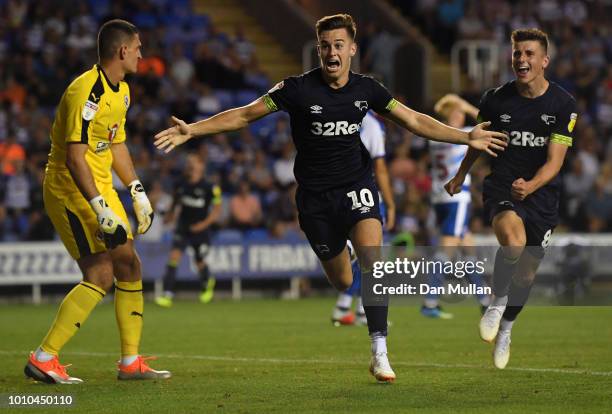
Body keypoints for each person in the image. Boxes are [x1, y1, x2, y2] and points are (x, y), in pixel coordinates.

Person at [154, 14, 507, 383]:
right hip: (315, 201)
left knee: (374, 264)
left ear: (352, 49)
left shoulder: (367, 90)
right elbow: (244, 115)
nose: (331, 52)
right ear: (318, 49)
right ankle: (347, 262)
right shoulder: (296, 89)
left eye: (339, 45)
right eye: (325, 46)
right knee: (341, 280)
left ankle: (380, 351)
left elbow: (415, 120)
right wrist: (192, 130)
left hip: (357, 187)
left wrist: (464, 137)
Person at [24, 19, 170, 384]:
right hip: (70, 189)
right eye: (138, 47)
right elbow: (75, 158)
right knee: (100, 273)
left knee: (129, 265)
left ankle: (130, 362)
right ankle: (44, 358)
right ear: (123, 51)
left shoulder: (121, 91)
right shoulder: (84, 92)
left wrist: (136, 190)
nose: (141, 54)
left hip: (102, 188)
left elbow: (115, 143)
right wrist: (100, 207)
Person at [446, 29, 577, 369]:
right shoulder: (495, 99)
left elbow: (555, 162)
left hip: (541, 195)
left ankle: (506, 328)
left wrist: (531, 186)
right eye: (518, 53)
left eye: (529, 54)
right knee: (513, 243)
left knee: (527, 275)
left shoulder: (563, 105)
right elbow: (478, 142)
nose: (521, 59)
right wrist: (461, 175)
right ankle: (496, 301)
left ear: (544, 61)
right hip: (503, 186)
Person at [420, 94, 491, 319]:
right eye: (456, 113)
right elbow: (487, 121)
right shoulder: (462, 135)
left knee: (467, 248)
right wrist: (466, 106)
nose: (460, 116)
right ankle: (430, 302)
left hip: (439, 198)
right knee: (447, 249)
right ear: (448, 117)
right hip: (456, 198)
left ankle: (485, 301)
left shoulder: (434, 137)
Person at [331, 111, 395, 326]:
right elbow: (380, 167)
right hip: (365, 193)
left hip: (336, 191)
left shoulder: (340, 114)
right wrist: (390, 202)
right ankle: (361, 309)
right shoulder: (373, 126)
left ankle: (346, 306)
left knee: (363, 254)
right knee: (370, 254)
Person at [155, 154, 222, 307]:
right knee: (173, 258)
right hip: (183, 227)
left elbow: (216, 210)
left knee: (199, 261)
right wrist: (170, 216)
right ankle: (167, 294)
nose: (191, 165)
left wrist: (203, 225)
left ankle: (206, 285)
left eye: (194, 162)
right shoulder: (180, 184)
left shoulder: (210, 187)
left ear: (201, 166)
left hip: (200, 229)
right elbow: (175, 202)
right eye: (189, 162)